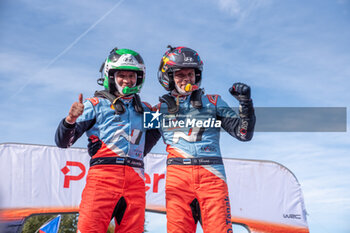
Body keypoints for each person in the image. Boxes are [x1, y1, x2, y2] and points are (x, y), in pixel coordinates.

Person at [55, 48, 158, 233]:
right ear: (110, 76)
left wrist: (164, 112)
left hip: (136, 181)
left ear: (139, 78)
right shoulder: (95, 104)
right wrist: (70, 120)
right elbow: (63, 143)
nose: (127, 80)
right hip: (103, 179)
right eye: (121, 75)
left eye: (131, 76)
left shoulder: (147, 110)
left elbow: (153, 138)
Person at [155, 46, 256, 233]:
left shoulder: (214, 101)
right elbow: (135, 141)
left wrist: (245, 103)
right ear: (168, 77)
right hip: (178, 179)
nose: (186, 78)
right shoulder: (157, 109)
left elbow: (243, 134)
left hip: (212, 177)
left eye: (191, 74)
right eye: (180, 74)